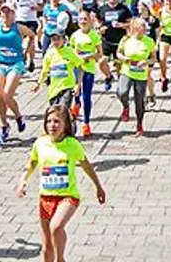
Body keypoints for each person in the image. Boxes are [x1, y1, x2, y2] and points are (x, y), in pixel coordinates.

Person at [16, 104, 106, 262]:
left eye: (56, 121)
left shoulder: (72, 145)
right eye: (49, 121)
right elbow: (32, 163)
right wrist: (23, 180)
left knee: (56, 227)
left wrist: (98, 186)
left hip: (68, 197)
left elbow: (86, 165)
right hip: (46, 198)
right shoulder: (40, 143)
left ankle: (61, 259)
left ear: (65, 125)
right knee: (46, 249)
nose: (52, 125)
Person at [0, 6, 28, 145]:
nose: (5, 14)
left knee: (7, 95)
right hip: (0, 63)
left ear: (13, 14)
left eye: (8, 12)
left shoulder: (18, 28)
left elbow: (32, 35)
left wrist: (28, 53)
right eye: (3, 12)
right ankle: (4, 125)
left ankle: (18, 116)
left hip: (15, 63)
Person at [113, 17, 154, 135]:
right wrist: (124, 58)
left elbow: (153, 58)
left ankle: (139, 124)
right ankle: (125, 106)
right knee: (122, 92)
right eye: (142, 26)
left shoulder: (149, 41)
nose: (145, 28)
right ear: (135, 28)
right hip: (127, 71)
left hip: (141, 74)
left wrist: (146, 62)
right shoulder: (126, 39)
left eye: (145, 26)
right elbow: (118, 53)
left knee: (139, 101)